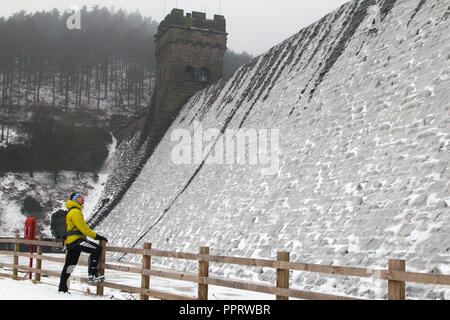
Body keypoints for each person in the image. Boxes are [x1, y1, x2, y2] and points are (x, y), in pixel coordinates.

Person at [58, 192, 108, 293]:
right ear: (75, 199)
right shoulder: (75, 212)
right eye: (79, 197)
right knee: (96, 249)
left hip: (70, 242)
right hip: (76, 241)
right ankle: (93, 275)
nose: (82, 198)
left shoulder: (71, 211)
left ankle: (62, 288)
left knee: (69, 265)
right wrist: (97, 237)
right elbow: (84, 229)